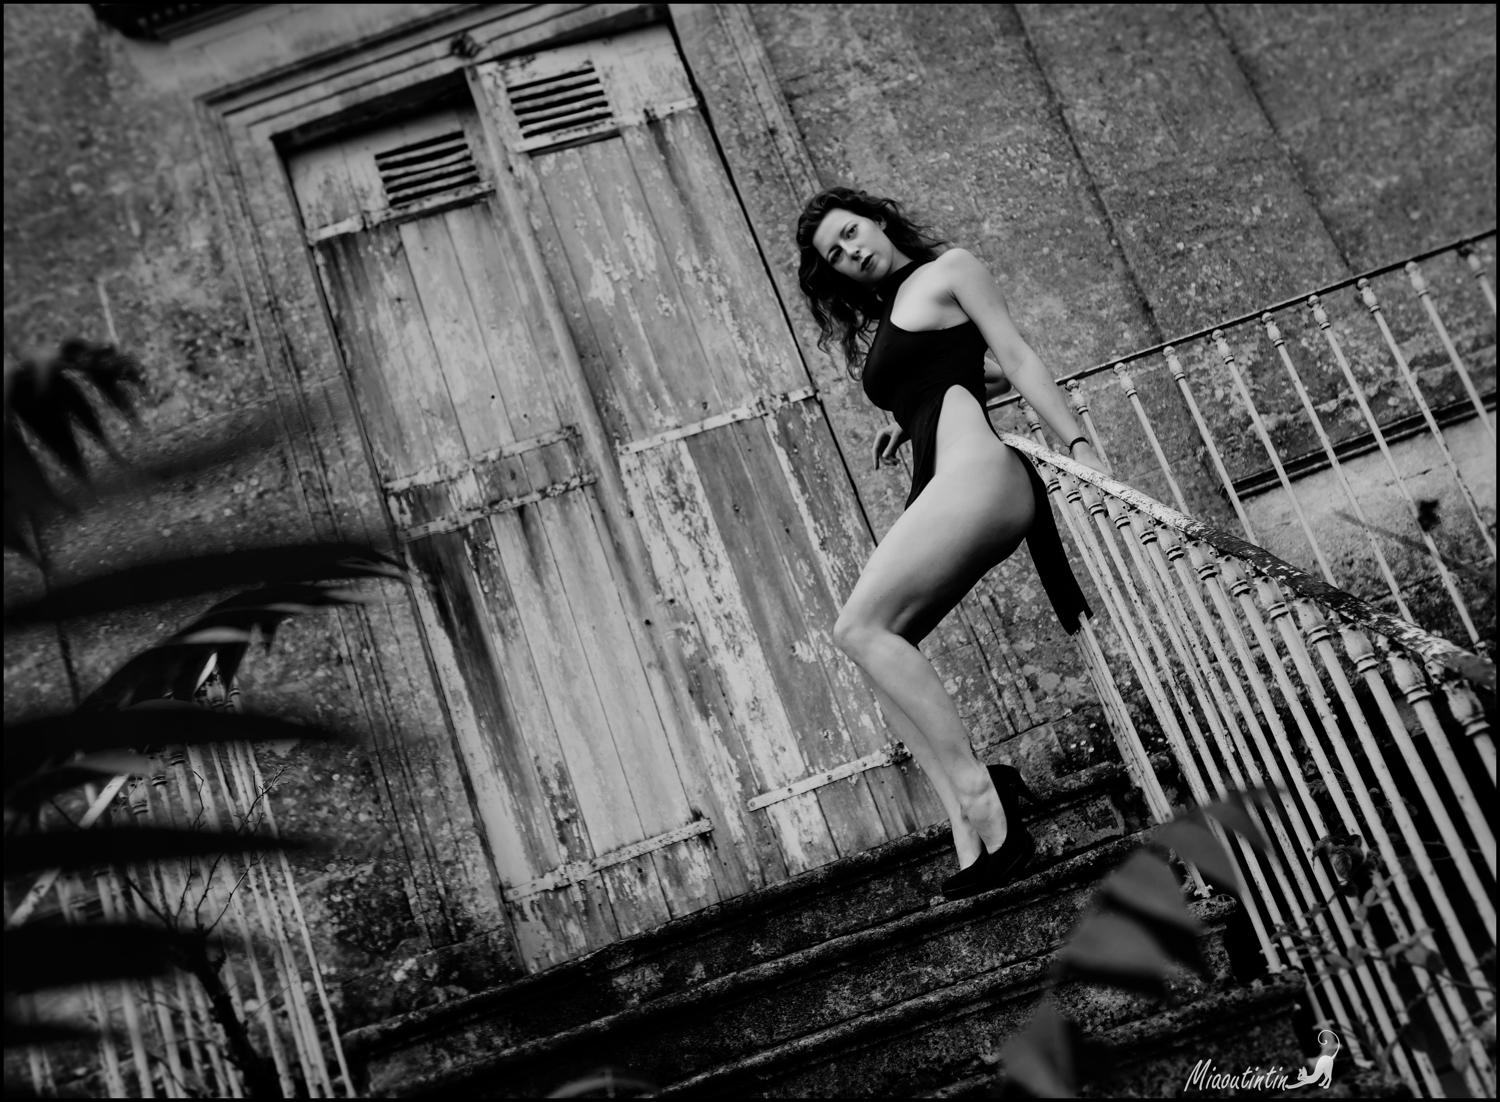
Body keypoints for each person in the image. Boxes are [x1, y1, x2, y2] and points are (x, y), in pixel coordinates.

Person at [796, 186, 1107, 901]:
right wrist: (908, 414)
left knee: (857, 628)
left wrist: (1079, 444)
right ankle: (967, 830)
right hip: (948, 473)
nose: (850, 253)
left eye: (851, 233)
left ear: (878, 219)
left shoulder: (950, 269)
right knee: (878, 653)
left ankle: (983, 796)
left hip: (982, 474)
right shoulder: (892, 314)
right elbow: (968, 367)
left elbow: (1015, 357)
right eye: (835, 254)